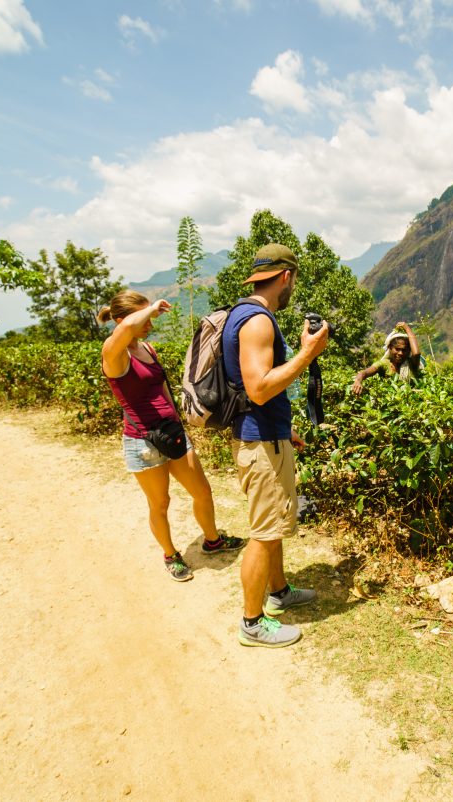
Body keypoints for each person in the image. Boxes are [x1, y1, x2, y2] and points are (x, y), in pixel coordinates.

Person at [223, 243, 330, 648]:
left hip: (270, 438)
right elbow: (259, 387)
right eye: (294, 281)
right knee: (264, 534)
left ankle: (279, 592)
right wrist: (307, 353)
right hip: (259, 444)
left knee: (275, 525)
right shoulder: (258, 322)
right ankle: (252, 623)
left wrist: (285, 431)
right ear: (285, 277)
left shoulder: (247, 315)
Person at [98, 289, 243, 582]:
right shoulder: (113, 353)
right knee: (160, 503)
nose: (151, 323)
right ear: (122, 319)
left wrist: (178, 420)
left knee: (202, 491)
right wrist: (150, 307)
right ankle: (170, 554)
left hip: (172, 433)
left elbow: (161, 387)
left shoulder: (147, 350)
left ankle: (212, 540)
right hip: (142, 440)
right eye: (145, 317)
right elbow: (125, 328)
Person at [352, 321, 423, 394]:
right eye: (397, 349)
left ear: (408, 351)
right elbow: (365, 372)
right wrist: (358, 381)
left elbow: (416, 353)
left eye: (404, 350)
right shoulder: (384, 364)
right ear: (390, 348)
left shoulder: (412, 364)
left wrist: (407, 329)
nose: (400, 353)